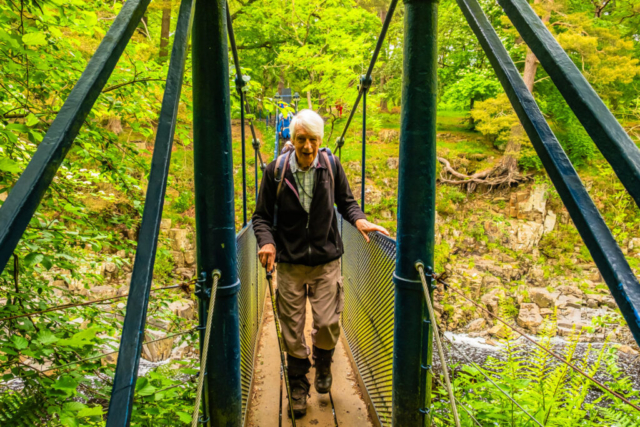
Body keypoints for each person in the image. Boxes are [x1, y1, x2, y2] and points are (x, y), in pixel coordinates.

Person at [252, 109, 389, 418]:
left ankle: (323, 362)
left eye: (313, 140)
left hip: (326, 260)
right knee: (291, 329)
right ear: (291, 138)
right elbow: (260, 217)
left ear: (320, 140)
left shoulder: (330, 165)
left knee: (327, 323)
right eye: (301, 139)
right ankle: (298, 385)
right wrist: (267, 241)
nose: (308, 147)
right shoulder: (275, 170)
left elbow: (347, 202)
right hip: (289, 263)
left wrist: (360, 221)